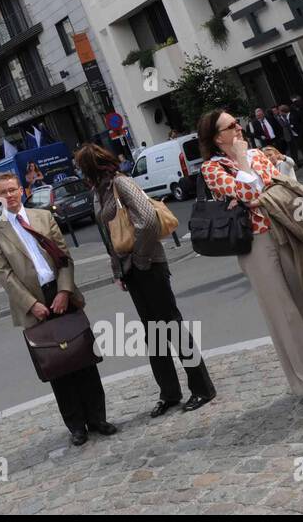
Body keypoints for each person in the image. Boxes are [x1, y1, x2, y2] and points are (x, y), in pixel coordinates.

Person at [199, 108, 303, 405]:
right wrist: (245, 175)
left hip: (286, 230)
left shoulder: (257, 155)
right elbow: (252, 195)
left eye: (238, 122)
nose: (239, 128)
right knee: (284, 312)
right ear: (216, 137)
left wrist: (250, 189)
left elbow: (281, 187)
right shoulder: (212, 168)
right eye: (231, 126)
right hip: (257, 243)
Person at [76, 143, 214, 417]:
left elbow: (149, 220)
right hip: (131, 269)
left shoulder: (120, 183)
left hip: (149, 264)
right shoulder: (98, 192)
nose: (79, 172)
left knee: (172, 326)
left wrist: (138, 258)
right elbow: (109, 236)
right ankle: (169, 392)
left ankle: (202, 387)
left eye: (81, 167)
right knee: (153, 333)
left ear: (91, 166)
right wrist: (119, 270)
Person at [0, 172, 115, 447]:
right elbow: (4, 275)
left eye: (12, 189)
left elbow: (64, 256)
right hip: (32, 302)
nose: (9, 195)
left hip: (60, 291)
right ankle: (76, 425)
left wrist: (65, 291)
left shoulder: (43, 217)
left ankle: (98, 418)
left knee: (83, 358)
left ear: (21, 190)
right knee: (57, 366)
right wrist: (32, 305)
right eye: (3, 192)